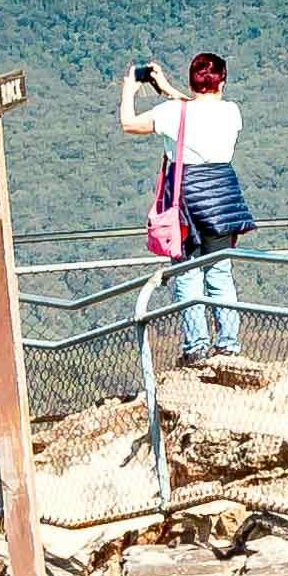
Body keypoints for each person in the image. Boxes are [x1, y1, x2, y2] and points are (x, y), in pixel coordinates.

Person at [121, 51, 253, 365]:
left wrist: (129, 91)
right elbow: (199, 110)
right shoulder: (232, 112)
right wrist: (167, 88)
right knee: (220, 272)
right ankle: (229, 344)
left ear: (193, 81)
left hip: (187, 199)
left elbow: (129, 124)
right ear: (222, 80)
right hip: (222, 199)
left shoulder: (171, 113)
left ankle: (196, 346)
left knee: (187, 273)